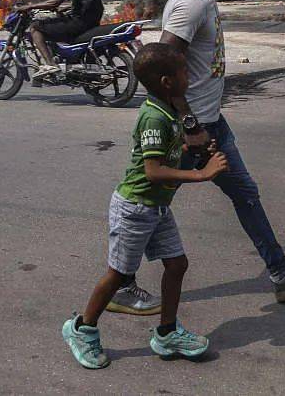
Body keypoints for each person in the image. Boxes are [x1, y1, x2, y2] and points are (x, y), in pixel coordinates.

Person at [109, 0, 285, 315]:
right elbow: (163, 68)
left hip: (211, 121)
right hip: (191, 129)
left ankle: (282, 273)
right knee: (147, 202)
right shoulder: (190, 3)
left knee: (245, 193)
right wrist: (190, 127)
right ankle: (121, 284)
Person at [61, 42, 229, 369]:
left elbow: (169, 150)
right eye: (183, 71)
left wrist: (192, 145)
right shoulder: (154, 117)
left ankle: (166, 333)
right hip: (135, 207)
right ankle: (82, 328)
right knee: (118, 274)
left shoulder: (168, 108)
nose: (189, 75)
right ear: (167, 81)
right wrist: (201, 174)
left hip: (156, 207)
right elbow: (153, 171)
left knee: (177, 265)